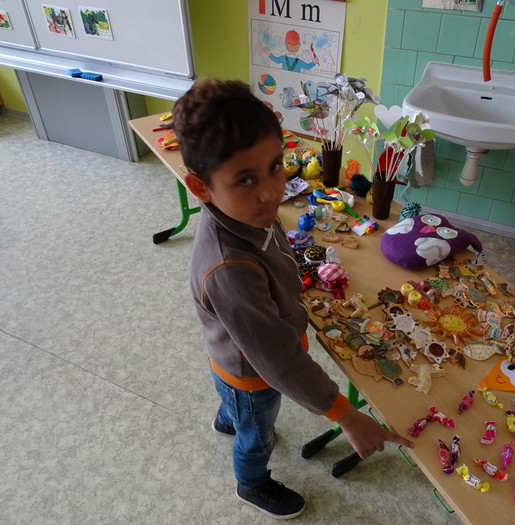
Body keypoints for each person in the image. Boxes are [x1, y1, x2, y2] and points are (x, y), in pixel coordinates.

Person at [171, 78, 413, 520]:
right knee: (257, 435)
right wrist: (347, 416)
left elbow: (277, 253)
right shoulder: (229, 269)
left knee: (239, 408)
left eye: (275, 166)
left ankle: (230, 415)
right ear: (200, 188)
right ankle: (251, 483)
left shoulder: (249, 212)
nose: (271, 191)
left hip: (238, 356)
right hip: (252, 375)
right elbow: (278, 361)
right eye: (245, 179)